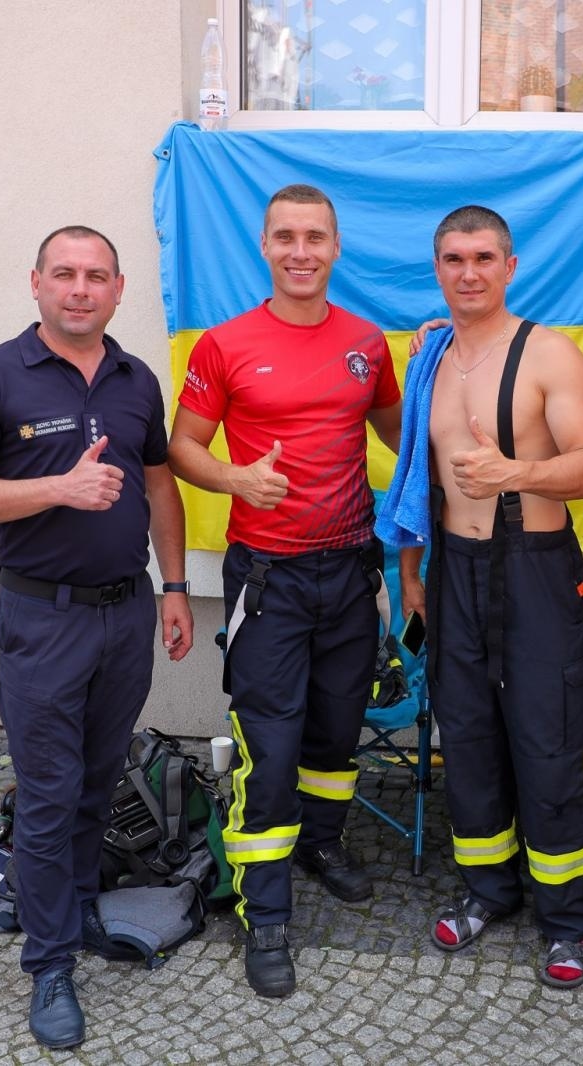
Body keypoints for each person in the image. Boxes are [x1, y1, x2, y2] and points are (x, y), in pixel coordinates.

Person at [0, 226, 194, 1050]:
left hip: (126, 613)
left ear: (118, 289)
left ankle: (79, 906)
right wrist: (62, 487)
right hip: (42, 618)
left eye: (96, 277)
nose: (79, 289)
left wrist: (178, 587)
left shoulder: (135, 378)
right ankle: (49, 964)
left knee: (95, 781)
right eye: (64, 275)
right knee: (47, 797)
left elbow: (158, 483)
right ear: (37, 284)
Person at [167, 184, 401, 999]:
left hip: (350, 570)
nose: (301, 251)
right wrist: (235, 477)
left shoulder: (367, 342)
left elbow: (394, 430)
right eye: (285, 237)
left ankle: (322, 841)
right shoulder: (224, 345)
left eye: (316, 237)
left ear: (337, 248)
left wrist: (453, 384)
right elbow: (182, 447)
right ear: (263, 247)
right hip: (267, 578)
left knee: (337, 732)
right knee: (270, 745)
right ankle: (264, 911)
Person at [391, 205, 583, 989]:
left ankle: (570, 921)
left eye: (484, 257)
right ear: (438, 267)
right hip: (453, 565)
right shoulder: (430, 357)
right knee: (471, 734)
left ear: (510, 266)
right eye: (454, 259)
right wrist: (412, 574)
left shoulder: (549, 354)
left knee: (547, 737)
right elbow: (417, 471)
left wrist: (512, 472)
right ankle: (489, 888)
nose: (469, 272)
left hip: (538, 566)